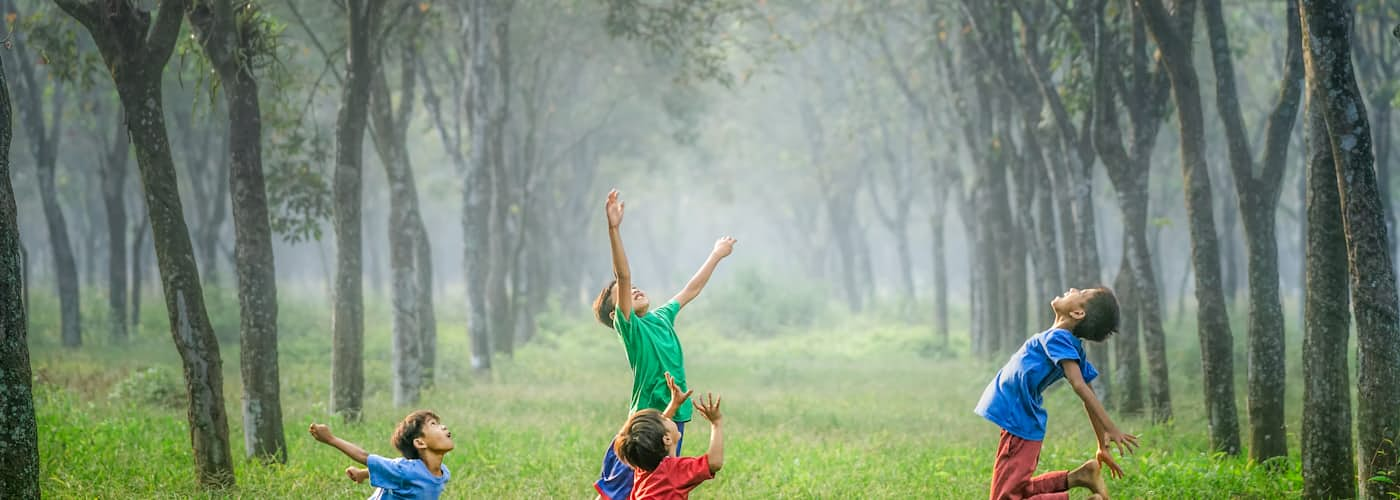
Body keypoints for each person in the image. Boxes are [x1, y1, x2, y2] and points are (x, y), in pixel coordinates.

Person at [591, 188, 735, 499]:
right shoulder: (631, 329)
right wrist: (613, 229)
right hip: (644, 424)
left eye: (635, 288)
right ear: (617, 312)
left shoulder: (661, 317)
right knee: (620, 491)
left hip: (673, 418)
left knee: (663, 485)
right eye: (626, 293)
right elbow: (623, 274)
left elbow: (690, 289)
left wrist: (716, 255)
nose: (634, 289)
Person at [974, 287, 1138, 500]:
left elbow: (1080, 386)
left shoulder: (1059, 338)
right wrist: (1101, 443)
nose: (1072, 289)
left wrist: (1111, 428)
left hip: (1019, 421)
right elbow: (1088, 393)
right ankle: (1080, 477)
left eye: (1082, 292)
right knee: (1017, 489)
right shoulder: (1068, 343)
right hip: (1020, 421)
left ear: (1078, 313)